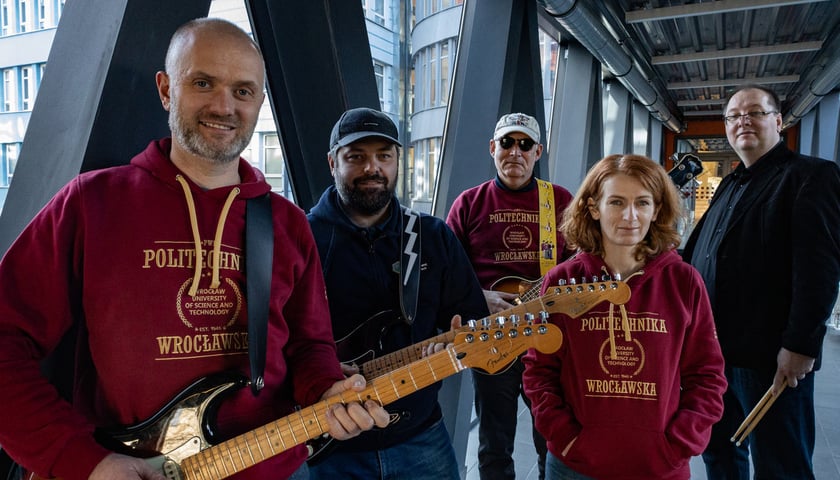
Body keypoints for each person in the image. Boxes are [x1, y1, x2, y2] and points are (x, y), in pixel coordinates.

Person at [0, 18, 388, 480]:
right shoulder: (91, 203)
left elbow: (309, 347)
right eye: (203, 83)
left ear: (260, 102)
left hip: (270, 468)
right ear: (166, 90)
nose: (224, 106)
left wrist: (327, 390)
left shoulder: (285, 223)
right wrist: (83, 461)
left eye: (243, 91)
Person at [306, 107, 488, 479]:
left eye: (384, 156)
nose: (372, 168)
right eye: (356, 156)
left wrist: (455, 337)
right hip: (330, 447)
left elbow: (471, 318)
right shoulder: (302, 239)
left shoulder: (433, 236)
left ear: (397, 161)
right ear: (332, 162)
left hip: (421, 437)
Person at [522, 153, 727, 480]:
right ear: (593, 208)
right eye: (616, 202)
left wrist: (679, 443)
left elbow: (707, 375)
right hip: (575, 467)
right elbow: (539, 370)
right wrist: (567, 437)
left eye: (642, 203)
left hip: (659, 468)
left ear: (656, 209)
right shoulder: (561, 282)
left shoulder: (684, 281)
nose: (630, 216)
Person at [683, 84, 840, 479]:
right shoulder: (730, 185)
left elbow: (819, 268)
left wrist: (800, 346)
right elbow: (697, 255)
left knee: (780, 465)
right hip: (713, 356)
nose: (743, 122)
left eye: (754, 112)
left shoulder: (810, 176)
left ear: (778, 121)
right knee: (720, 456)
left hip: (770, 359)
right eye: (733, 116)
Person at [445, 112, 573, 480]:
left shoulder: (559, 201)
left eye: (524, 144)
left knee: (550, 435)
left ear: (538, 153)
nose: (514, 152)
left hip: (547, 339)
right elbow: (448, 272)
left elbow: (580, 262)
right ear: (492, 148)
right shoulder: (468, 204)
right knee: (494, 441)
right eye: (506, 143)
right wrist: (478, 296)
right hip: (492, 339)